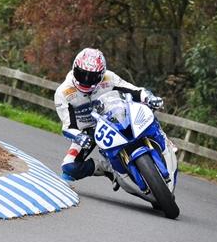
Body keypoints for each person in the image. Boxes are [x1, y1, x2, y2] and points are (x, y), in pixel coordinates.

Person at [54, 48, 165, 189]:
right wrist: (79, 137)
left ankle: (163, 143)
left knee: (147, 117)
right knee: (69, 168)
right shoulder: (64, 92)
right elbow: (68, 126)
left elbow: (134, 90)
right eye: (82, 74)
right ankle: (107, 167)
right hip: (87, 132)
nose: (86, 81)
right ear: (74, 68)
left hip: (114, 118)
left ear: (101, 74)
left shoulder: (109, 77)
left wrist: (150, 98)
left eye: (92, 76)